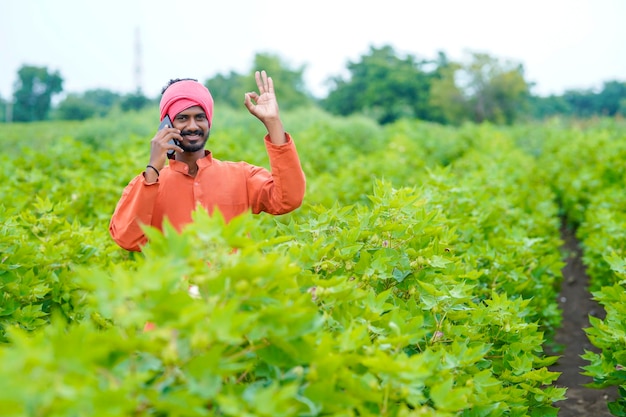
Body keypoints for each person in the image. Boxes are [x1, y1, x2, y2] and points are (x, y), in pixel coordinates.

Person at [109, 70, 306, 252]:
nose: (193, 126)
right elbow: (127, 238)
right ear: (166, 124)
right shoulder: (149, 185)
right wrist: (152, 169)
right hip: (177, 289)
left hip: (231, 287)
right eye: (183, 118)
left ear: (209, 121)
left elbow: (288, 199)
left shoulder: (241, 176)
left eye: (200, 117)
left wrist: (273, 122)